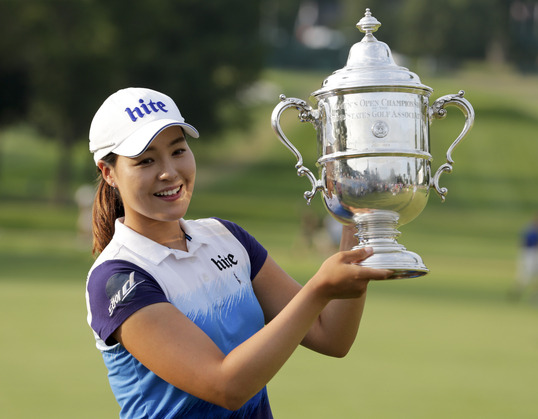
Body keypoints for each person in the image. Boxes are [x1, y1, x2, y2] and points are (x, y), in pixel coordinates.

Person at [85, 87, 391, 418]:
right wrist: (319, 288)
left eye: (178, 151)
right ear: (109, 173)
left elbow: (330, 336)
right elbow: (225, 386)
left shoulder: (226, 236)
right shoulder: (117, 279)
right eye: (146, 160)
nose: (169, 172)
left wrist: (354, 220)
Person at [511, 213, 538, 304]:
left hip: (531, 254)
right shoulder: (533, 231)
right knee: (528, 276)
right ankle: (520, 292)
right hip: (531, 254)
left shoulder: (536, 231)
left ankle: (534, 295)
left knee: (537, 276)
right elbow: (529, 244)